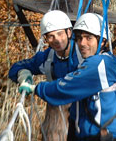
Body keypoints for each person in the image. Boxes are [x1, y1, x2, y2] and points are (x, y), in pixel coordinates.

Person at [19, 13, 116, 141]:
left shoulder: (97, 65)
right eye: (79, 38)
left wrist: (35, 88)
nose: (82, 43)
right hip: (108, 132)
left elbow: (64, 89)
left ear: (102, 41)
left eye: (89, 38)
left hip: (97, 135)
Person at [8, 10, 83, 141]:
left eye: (60, 33)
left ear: (69, 32)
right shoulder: (48, 57)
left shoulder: (83, 55)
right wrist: (24, 75)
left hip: (84, 108)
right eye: (50, 36)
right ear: (45, 39)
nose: (57, 40)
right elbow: (16, 67)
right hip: (58, 107)